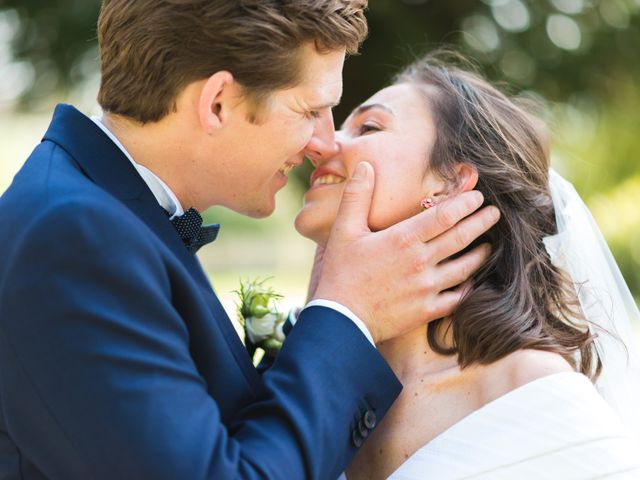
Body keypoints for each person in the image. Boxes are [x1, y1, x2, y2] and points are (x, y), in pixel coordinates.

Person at [0, 2, 500, 479]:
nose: (324, 143)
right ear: (216, 103)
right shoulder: (75, 238)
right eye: (310, 111)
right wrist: (348, 314)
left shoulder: (109, 215)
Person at [295, 54, 640, 479]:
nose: (321, 144)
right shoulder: (306, 367)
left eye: (367, 127)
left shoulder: (531, 390)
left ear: (450, 184)